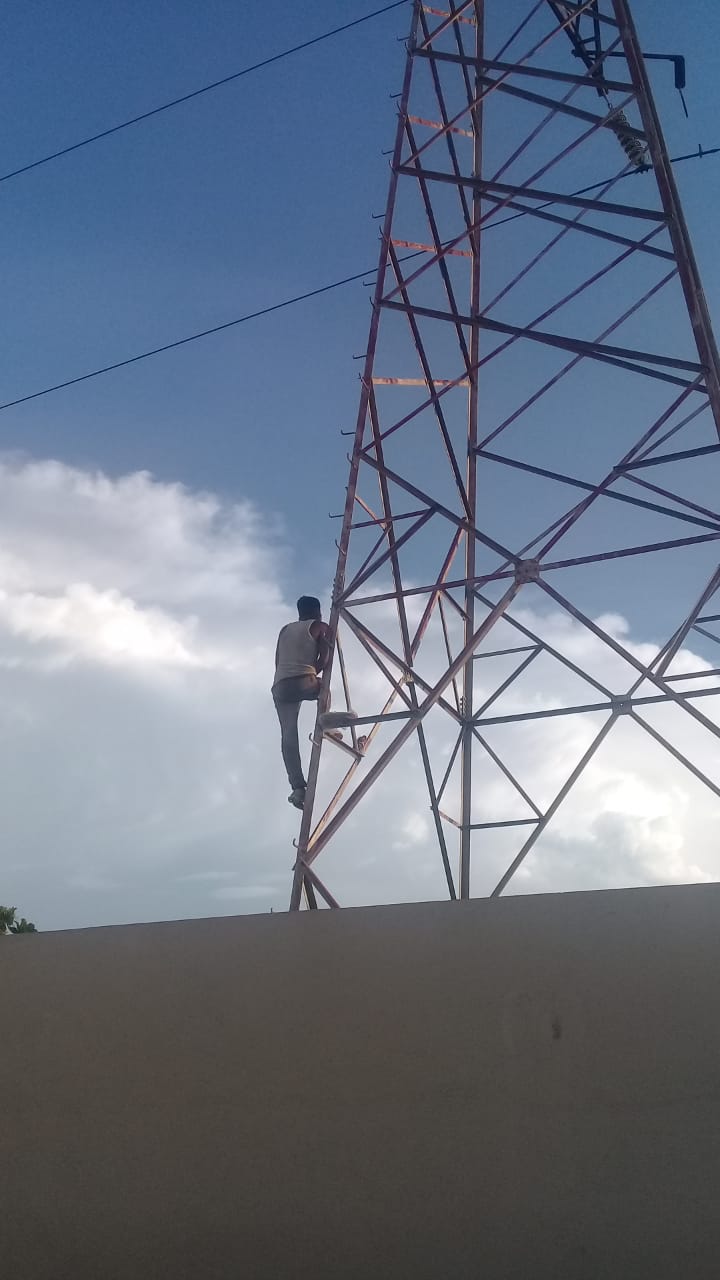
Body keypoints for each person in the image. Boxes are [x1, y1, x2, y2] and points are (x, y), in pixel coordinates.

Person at [272, 596, 356, 810]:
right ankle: (326, 724)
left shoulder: (284, 630)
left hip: (280, 687)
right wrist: (309, 672)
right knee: (323, 688)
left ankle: (297, 788)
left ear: (299, 612)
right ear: (318, 611)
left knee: (288, 736)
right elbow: (324, 661)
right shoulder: (321, 627)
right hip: (304, 681)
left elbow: (278, 662)